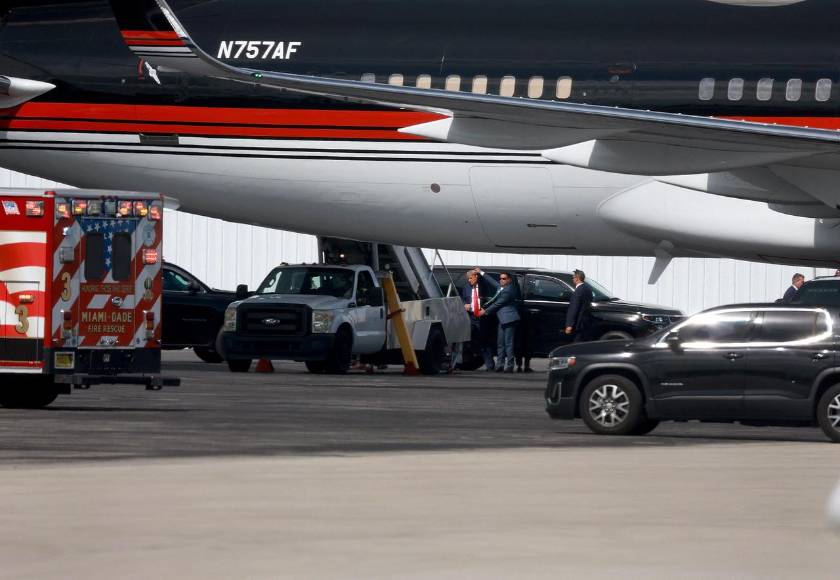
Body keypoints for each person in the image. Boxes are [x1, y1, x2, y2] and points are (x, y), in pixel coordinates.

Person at [477, 269, 520, 373]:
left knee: (508, 343)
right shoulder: (501, 288)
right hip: (502, 319)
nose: (501, 280)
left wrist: (485, 311)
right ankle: (500, 365)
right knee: (500, 343)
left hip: (509, 319)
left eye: (504, 279)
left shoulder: (509, 290)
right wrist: (481, 272)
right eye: (500, 278)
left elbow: (498, 303)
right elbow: (492, 282)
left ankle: (509, 365)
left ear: (509, 280)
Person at [461, 269, 495, 371]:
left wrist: (485, 309)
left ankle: (490, 365)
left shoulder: (484, 286)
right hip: (471, 317)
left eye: (471, 278)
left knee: (484, 341)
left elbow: (491, 299)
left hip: (482, 317)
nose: (469, 280)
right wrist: (464, 305)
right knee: (468, 340)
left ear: (476, 277)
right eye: (468, 279)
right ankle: (465, 363)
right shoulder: (466, 287)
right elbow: (463, 298)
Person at [565, 269, 594, 343]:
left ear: (577, 278)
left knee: (576, 343)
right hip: (586, 322)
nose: (572, 279)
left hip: (578, 323)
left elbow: (574, 308)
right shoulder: (588, 289)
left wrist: (569, 325)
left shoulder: (578, 291)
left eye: (573, 277)